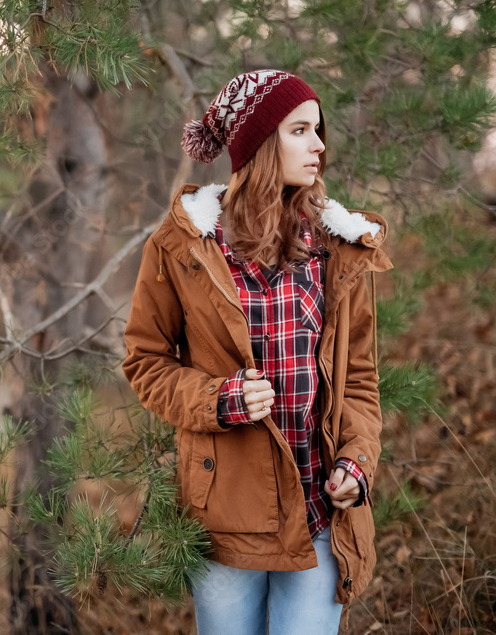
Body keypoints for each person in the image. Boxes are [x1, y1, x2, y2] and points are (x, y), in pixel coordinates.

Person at [121, 70, 393, 634]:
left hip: (320, 509)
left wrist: (355, 460)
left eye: (318, 130)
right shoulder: (182, 247)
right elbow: (145, 363)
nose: (319, 144)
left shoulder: (339, 247)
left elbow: (360, 380)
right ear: (261, 142)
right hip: (226, 513)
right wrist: (220, 398)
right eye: (300, 130)